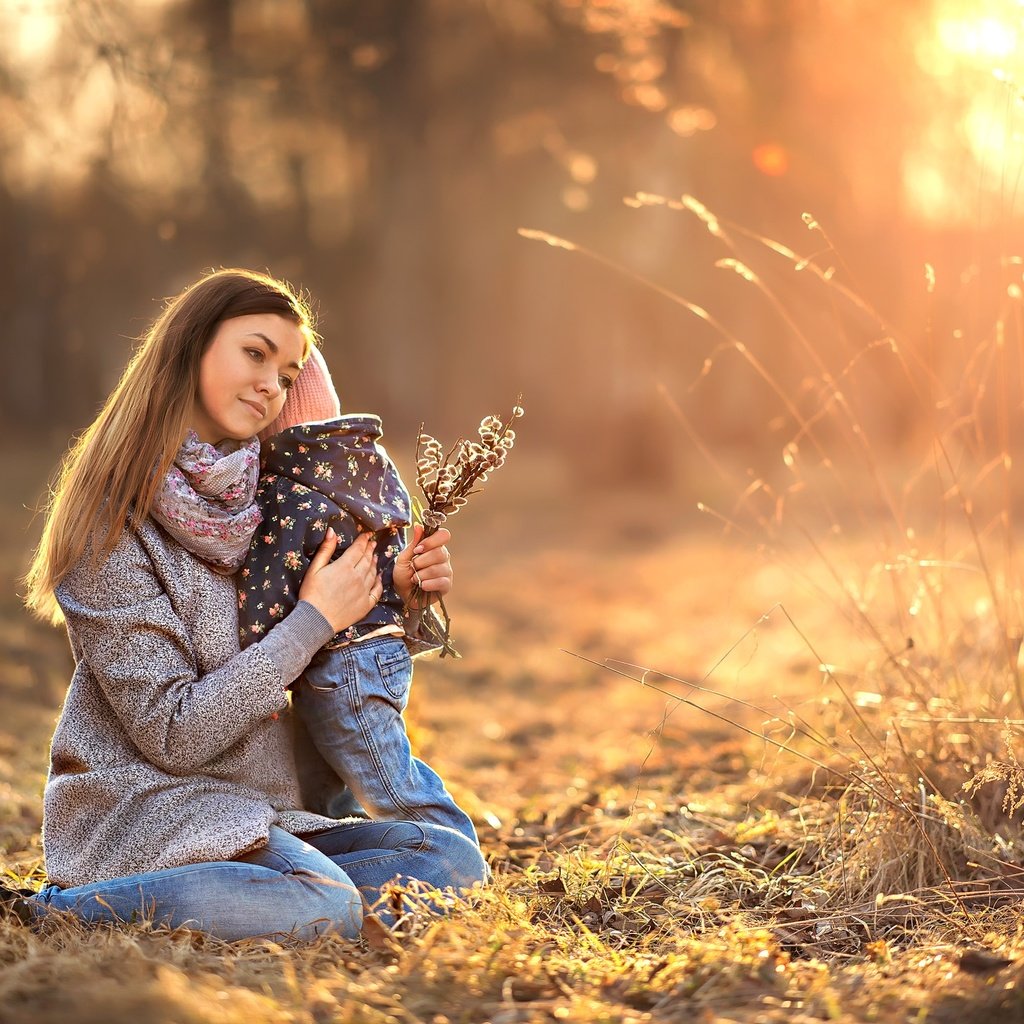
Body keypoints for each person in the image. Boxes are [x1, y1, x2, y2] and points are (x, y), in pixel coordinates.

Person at [11, 268, 488, 941]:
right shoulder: (108, 524)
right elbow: (174, 735)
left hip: (258, 810)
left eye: (289, 374)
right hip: (143, 811)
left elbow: (319, 669)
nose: (272, 384)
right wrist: (315, 618)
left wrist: (392, 600)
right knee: (320, 903)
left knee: (446, 860)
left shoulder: (273, 507)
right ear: (190, 348)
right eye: (255, 353)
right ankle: (54, 912)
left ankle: (261, 900)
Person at [239, 347, 478, 843]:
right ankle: (365, 851)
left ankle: (453, 853)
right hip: (379, 651)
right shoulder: (367, 466)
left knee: (393, 786)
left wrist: (251, 643)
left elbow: (270, 579)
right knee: (331, 782)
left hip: (341, 662)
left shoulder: (286, 489)